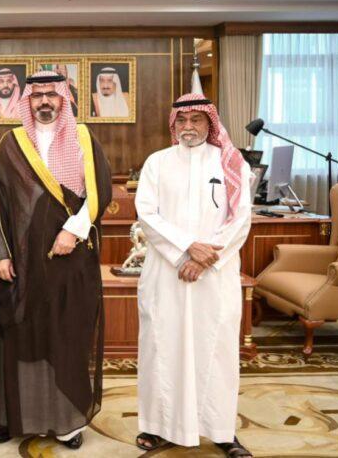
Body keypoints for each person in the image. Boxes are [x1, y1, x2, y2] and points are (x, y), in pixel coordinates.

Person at [0, 71, 113, 449]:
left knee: (66, 337)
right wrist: (0, 253)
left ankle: (67, 423)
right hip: (22, 261)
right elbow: (0, 205)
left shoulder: (84, 138)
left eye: (51, 94)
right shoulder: (11, 143)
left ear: (64, 98)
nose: (44, 101)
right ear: (27, 100)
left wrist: (73, 231)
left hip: (70, 259)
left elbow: (100, 192)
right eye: (37, 95)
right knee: (20, 336)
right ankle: (12, 417)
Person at [134, 93, 253, 458]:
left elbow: (241, 219)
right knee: (161, 347)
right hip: (166, 272)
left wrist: (203, 259)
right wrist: (186, 247)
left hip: (214, 274)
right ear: (174, 124)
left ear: (210, 123)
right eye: (182, 120)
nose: (188, 126)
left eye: (196, 119)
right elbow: (146, 215)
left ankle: (221, 430)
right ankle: (157, 426)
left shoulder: (231, 162)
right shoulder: (157, 162)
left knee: (215, 349)